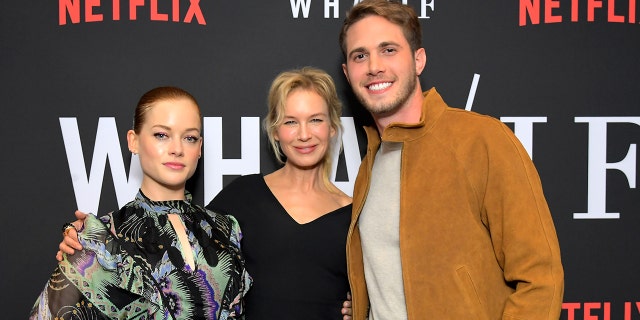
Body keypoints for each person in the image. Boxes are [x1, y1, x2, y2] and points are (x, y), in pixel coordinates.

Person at [56, 68, 354, 319]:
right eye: (290, 121)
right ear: (275, 130)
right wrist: (84, 243)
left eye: (189, 138)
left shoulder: (224, 227)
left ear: (332, 126)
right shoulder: (240, 202)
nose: (304, 133)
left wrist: (361, 307)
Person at [338, 0, 564, 319]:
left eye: (388, 50)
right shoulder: (370, 164)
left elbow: (541, 279)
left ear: (418, 60)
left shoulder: (480, 139)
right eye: (360, 55)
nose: (374, 66)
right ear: (348, 73)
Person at [32, 87, 251, 319]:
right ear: (133, 141)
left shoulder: (226, 229)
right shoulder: (101, 238)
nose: (177, 149)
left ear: (199, 148)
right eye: (161, 135)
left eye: (189, 137)